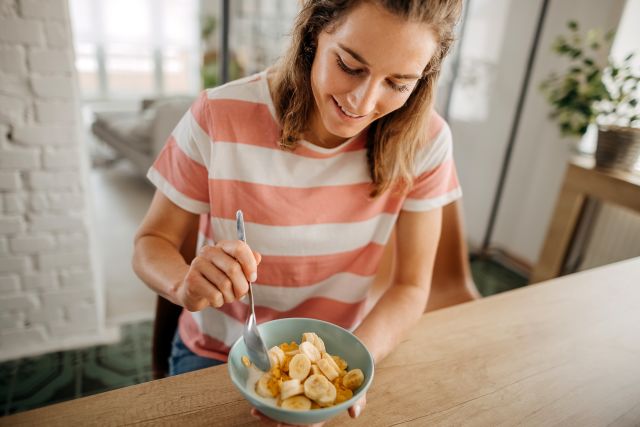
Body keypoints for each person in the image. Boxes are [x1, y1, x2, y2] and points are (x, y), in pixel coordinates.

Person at [133, 0, 463, 424]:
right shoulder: (219, 114)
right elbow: (150, 243)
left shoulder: (427, 142)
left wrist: (345, 366)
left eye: (397, 84)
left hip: (336, 351)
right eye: (349, 65)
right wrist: (182, 284)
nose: (363, 101)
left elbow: (412, 287)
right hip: (218, 353)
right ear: (313, 36)